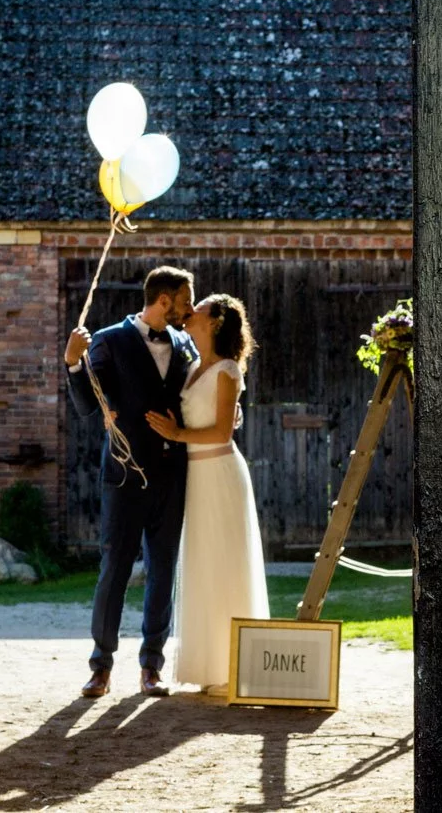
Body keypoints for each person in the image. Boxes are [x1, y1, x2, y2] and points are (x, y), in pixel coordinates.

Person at [64, 266, 196, 699]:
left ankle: (151, 667)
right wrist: (72, 362)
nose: (188, 309)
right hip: (123, 475)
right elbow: (87, 405)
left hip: (172, 475)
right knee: (115, 569)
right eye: (184, 300)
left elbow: (197, 396)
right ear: (163, 300)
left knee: (162, 571)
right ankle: (100, 666)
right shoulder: (109, 339)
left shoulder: (184, 344)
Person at [145, 293, 270, 695]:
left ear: (215, 320)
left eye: (197, 308)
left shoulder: (229, 370)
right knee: (201, 563)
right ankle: (211, 665)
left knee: (225, 563)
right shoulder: (194, 365)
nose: (188, 311)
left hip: (219, 471)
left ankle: (234, 667)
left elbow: (220, 431)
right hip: (195, 476)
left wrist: (177, 434)